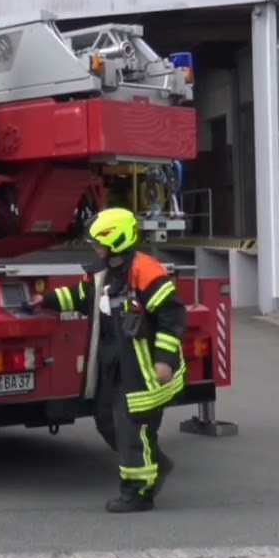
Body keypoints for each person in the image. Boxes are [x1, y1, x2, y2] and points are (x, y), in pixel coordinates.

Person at [30, 207, 187, 513]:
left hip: (140, 369)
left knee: (132, 428)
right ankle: (154, 464)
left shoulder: (146, 270)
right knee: (106, 420)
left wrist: (165, 360)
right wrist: (46, 300)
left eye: (97, 242)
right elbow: (83, 296)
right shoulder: (104, 271)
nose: (93, 246)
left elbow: (172, 317)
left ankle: (138, 493)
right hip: (113, 363)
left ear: (115, 240)